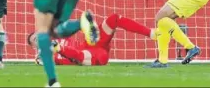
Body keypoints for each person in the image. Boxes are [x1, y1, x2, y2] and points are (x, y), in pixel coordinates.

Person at [28, 13, 156, 66]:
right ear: (34, 47)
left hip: (92, 44)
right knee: (89, 56)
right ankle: (63, 48)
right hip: (88, 56)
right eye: (35, 40)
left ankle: (151, 33)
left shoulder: (57, 34)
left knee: (114, 19)